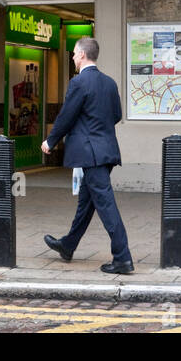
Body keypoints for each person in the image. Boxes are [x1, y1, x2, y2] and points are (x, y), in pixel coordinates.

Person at [41, 36, 134, 275]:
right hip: (107, 151)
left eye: (73, 53)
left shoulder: (79, 83)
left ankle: (123, 258)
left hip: (91, 154)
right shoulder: (109, 83)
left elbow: (66, 115)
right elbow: (115, 115)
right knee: (86, 203)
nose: (72, 57)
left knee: (106, 205)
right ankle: (68, 245)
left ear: (82, 55)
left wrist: (50, 141)